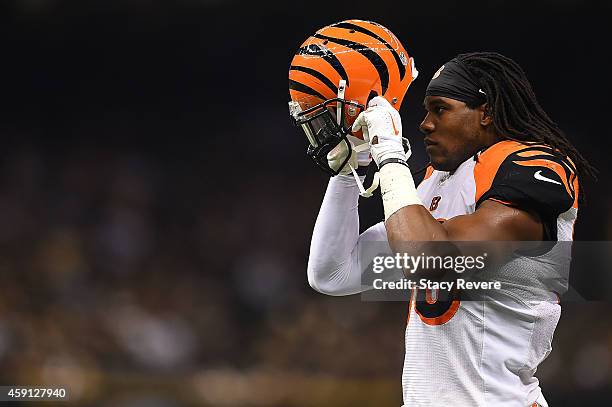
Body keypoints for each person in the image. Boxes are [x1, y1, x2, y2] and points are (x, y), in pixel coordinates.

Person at [289, 20, 595, 407]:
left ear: (485, 112)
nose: (425, 124)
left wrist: (390, 155)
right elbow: (332, 273)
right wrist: (351, 168)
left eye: (441, 109)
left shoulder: (536, 165)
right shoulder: (436, 183)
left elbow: (430, 260)